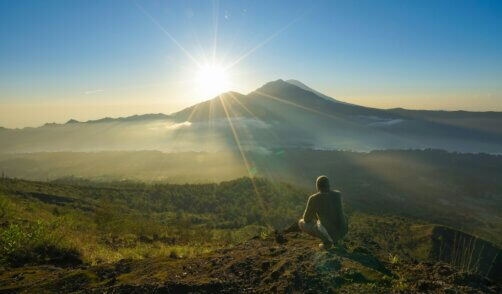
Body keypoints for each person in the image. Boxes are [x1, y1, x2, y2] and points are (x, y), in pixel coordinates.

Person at [298, 175, 348, 250]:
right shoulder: (338, 194)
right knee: (342, 217)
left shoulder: (314, 198)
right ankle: (336, 241)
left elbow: (306, 219)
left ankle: (326, 242)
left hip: (329, 232)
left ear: (317, 187)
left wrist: (315, 216)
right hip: (343, 230)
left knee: (301, 222)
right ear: (329, 185)